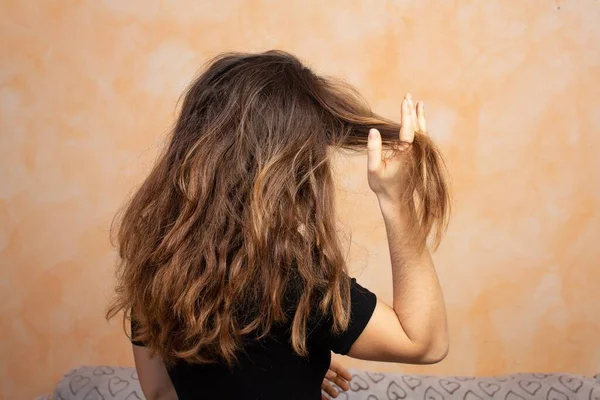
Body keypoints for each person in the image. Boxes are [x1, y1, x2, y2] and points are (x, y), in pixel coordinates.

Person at [107, 50, 450, 400]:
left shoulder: (156, 258)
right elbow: (424, 343)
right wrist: (398, 203)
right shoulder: (290, 278)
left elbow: (159, 390)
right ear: (287, 167)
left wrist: (283, 369)